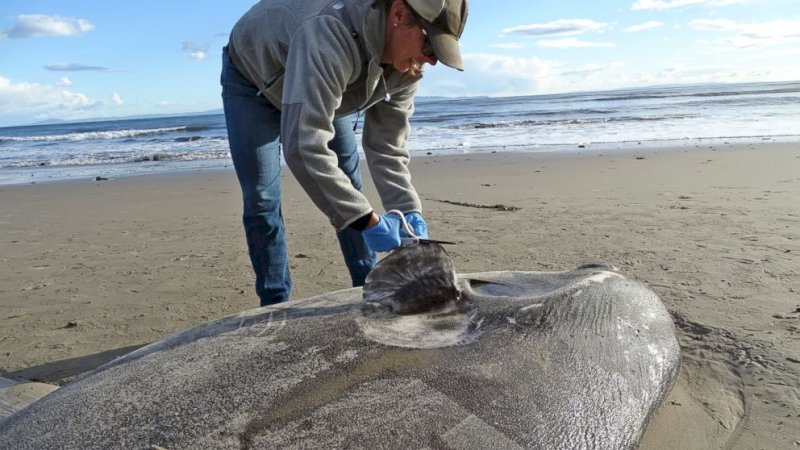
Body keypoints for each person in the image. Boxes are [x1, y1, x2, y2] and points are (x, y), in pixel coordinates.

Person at [221, 0, 468, 306]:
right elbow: (303, 145)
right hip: (254, 77)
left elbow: (387, 146)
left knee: (348, 182)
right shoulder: (329, 36)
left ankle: (367, 287)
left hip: (327, 79)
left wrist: (408, 211)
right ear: (399, 14)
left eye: (439, 53)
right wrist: (366, 221)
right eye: (431, 44)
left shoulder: (409, 66)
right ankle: (275, 304)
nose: (431, 60)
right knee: (262, 198)